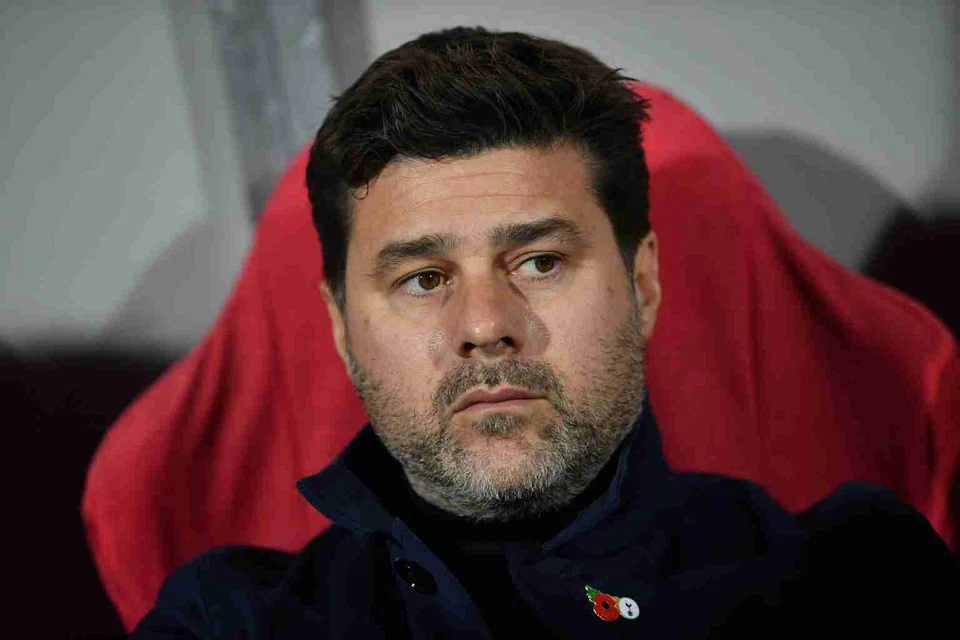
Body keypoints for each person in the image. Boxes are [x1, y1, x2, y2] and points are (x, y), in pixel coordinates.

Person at [132, 27, 956, 638]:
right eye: (424, 279)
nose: (486, 326)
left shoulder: (852, 581)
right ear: (344, 331)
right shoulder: (227, 621)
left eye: (539, 262)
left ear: (643, 285)